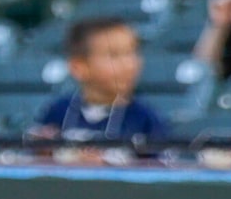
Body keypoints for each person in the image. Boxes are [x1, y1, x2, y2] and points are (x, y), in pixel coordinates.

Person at [29, 15, 167, 143]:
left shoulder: (146, 118)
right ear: (78, 67)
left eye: (133, 53)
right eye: (114, 55)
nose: (129, 64)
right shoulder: (57, 111)